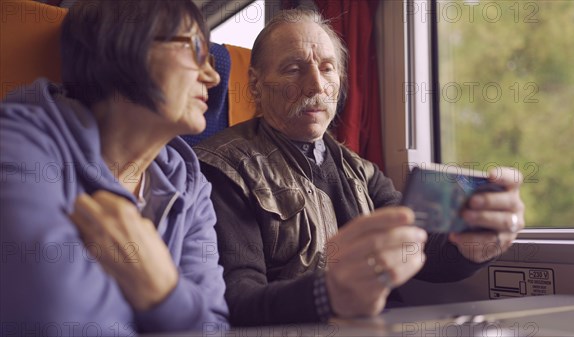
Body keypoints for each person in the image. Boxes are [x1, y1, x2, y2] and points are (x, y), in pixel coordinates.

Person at [195, 8, 525, 326]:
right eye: (294, 69)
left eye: (326, 68)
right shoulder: (225, 169)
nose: (316, 86)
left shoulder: (361, 170)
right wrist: (328, 296)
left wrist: (473, 245)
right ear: (255, 85)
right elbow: (236, 300)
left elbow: (425, 253)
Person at [0, 0, 228, 334]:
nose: (213, 76)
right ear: (124, 45)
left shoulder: (191, 186)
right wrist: (164, 296)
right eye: (194, 48)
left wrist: (162, 290)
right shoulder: (20, 141)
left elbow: (215, 325)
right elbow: (55, 313)